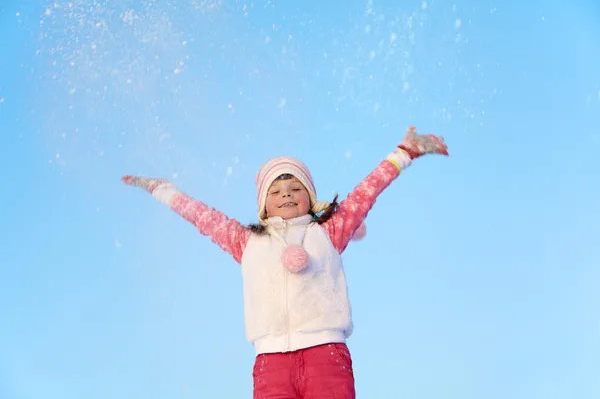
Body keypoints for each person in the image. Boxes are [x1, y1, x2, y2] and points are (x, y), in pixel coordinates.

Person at [121, 125, 448, 398]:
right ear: (264, 205)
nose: (287, 195)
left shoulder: (330, 231)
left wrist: (404, 153)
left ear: (309, 196)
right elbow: (202, 216)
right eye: (276, 192)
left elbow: (367, 191)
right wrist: (161, 190)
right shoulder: (246, 241)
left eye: (295, 188)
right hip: (271, 362)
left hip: (326, 355)